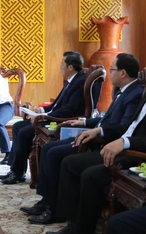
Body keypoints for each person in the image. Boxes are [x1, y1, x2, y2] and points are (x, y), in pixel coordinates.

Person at [23, 53, 142, 224]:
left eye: (112, 69)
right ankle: (47, 201)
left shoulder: (135, 93)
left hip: (107, 143)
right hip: (97, 135)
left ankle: (56, 210)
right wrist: (84, 121)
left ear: (123, 73)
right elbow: (106, 119)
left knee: (57, 154)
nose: (110, 72)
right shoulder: (123, 90)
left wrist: (98, 131)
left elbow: (122, 128)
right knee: (50, 149)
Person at [46, 91, 146, 234]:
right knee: (70, 163)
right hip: (119, 145)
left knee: (91, 176)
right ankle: (72, 224)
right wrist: (99, 131)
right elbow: (129, 126)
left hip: (135, 155)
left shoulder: (134, 94)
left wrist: (125, 142)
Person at [0, 51, 86, 184]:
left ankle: (17, 173)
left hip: (61, 120)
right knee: (17, 126)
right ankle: (16, 170)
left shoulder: (80, 82)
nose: (60, 66)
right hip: (53, 115)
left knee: (24, 132)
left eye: (62, 63)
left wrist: (45, 115)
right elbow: (57, 104)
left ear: (70, 67)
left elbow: (70, 109)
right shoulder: (71, 80)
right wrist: (42, 109)